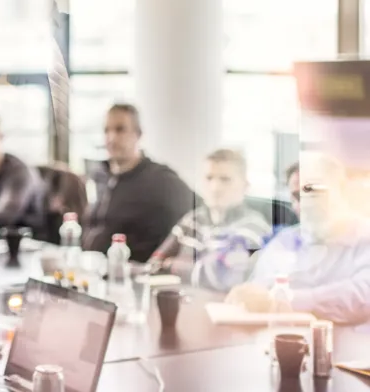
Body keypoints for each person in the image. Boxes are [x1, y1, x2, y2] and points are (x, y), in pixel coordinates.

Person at [226, 154, 370, 324]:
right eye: (297, 197)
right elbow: (260, 286)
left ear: (343, 191)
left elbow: (363, 296)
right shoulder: (284, 240)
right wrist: (246, 295)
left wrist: (283, 301)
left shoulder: (364, 236)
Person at [82, 103, 198, 263]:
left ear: (138, 134)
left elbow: (199, 212)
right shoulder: (100, 175)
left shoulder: (160, 179)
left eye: (120, 130)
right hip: (90, 267)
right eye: (107, 130)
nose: (111, 138)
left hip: (133, 270)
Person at [147, 149, 271, 291]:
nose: (215, 188)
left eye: (225, 179)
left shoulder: (254, 227)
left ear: (245, 186)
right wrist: (196, 268)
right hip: (181, 301)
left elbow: (223, 276)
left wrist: (172, 265)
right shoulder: (192, 219)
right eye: (209, 178)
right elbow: (153, 264)